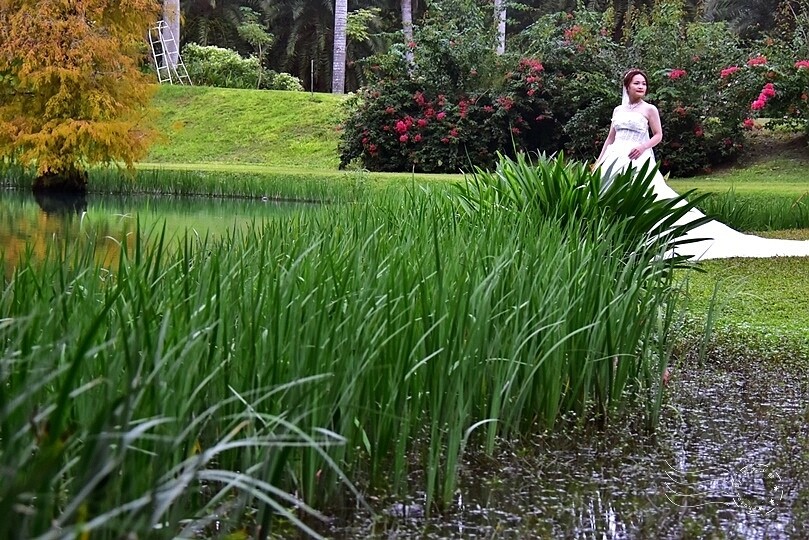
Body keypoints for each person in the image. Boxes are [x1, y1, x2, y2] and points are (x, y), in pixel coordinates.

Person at [595, 68, 809, 260]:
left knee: (648, 196)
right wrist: (600, 160)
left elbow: (658, 135)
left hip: (637, 158)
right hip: (616, 158)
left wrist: (642, 147)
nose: (641, 87)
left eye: (644, 83)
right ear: (627, 86)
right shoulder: (618, 111)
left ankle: (657, 234)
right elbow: (610, 138)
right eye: (637, 83)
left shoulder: (649, 109)